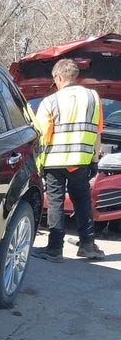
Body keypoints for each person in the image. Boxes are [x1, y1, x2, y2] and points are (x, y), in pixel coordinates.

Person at [31, 58, 105, 262]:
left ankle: (55, 249)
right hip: (81, 161)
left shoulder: (50, 101)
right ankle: (87, 245)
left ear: (58, 77)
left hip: (54, 161)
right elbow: (97, 132)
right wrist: (94, 160)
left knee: (55, 202)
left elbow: (42, 136)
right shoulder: (93, 97)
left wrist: (38, 164)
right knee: (82, 201)